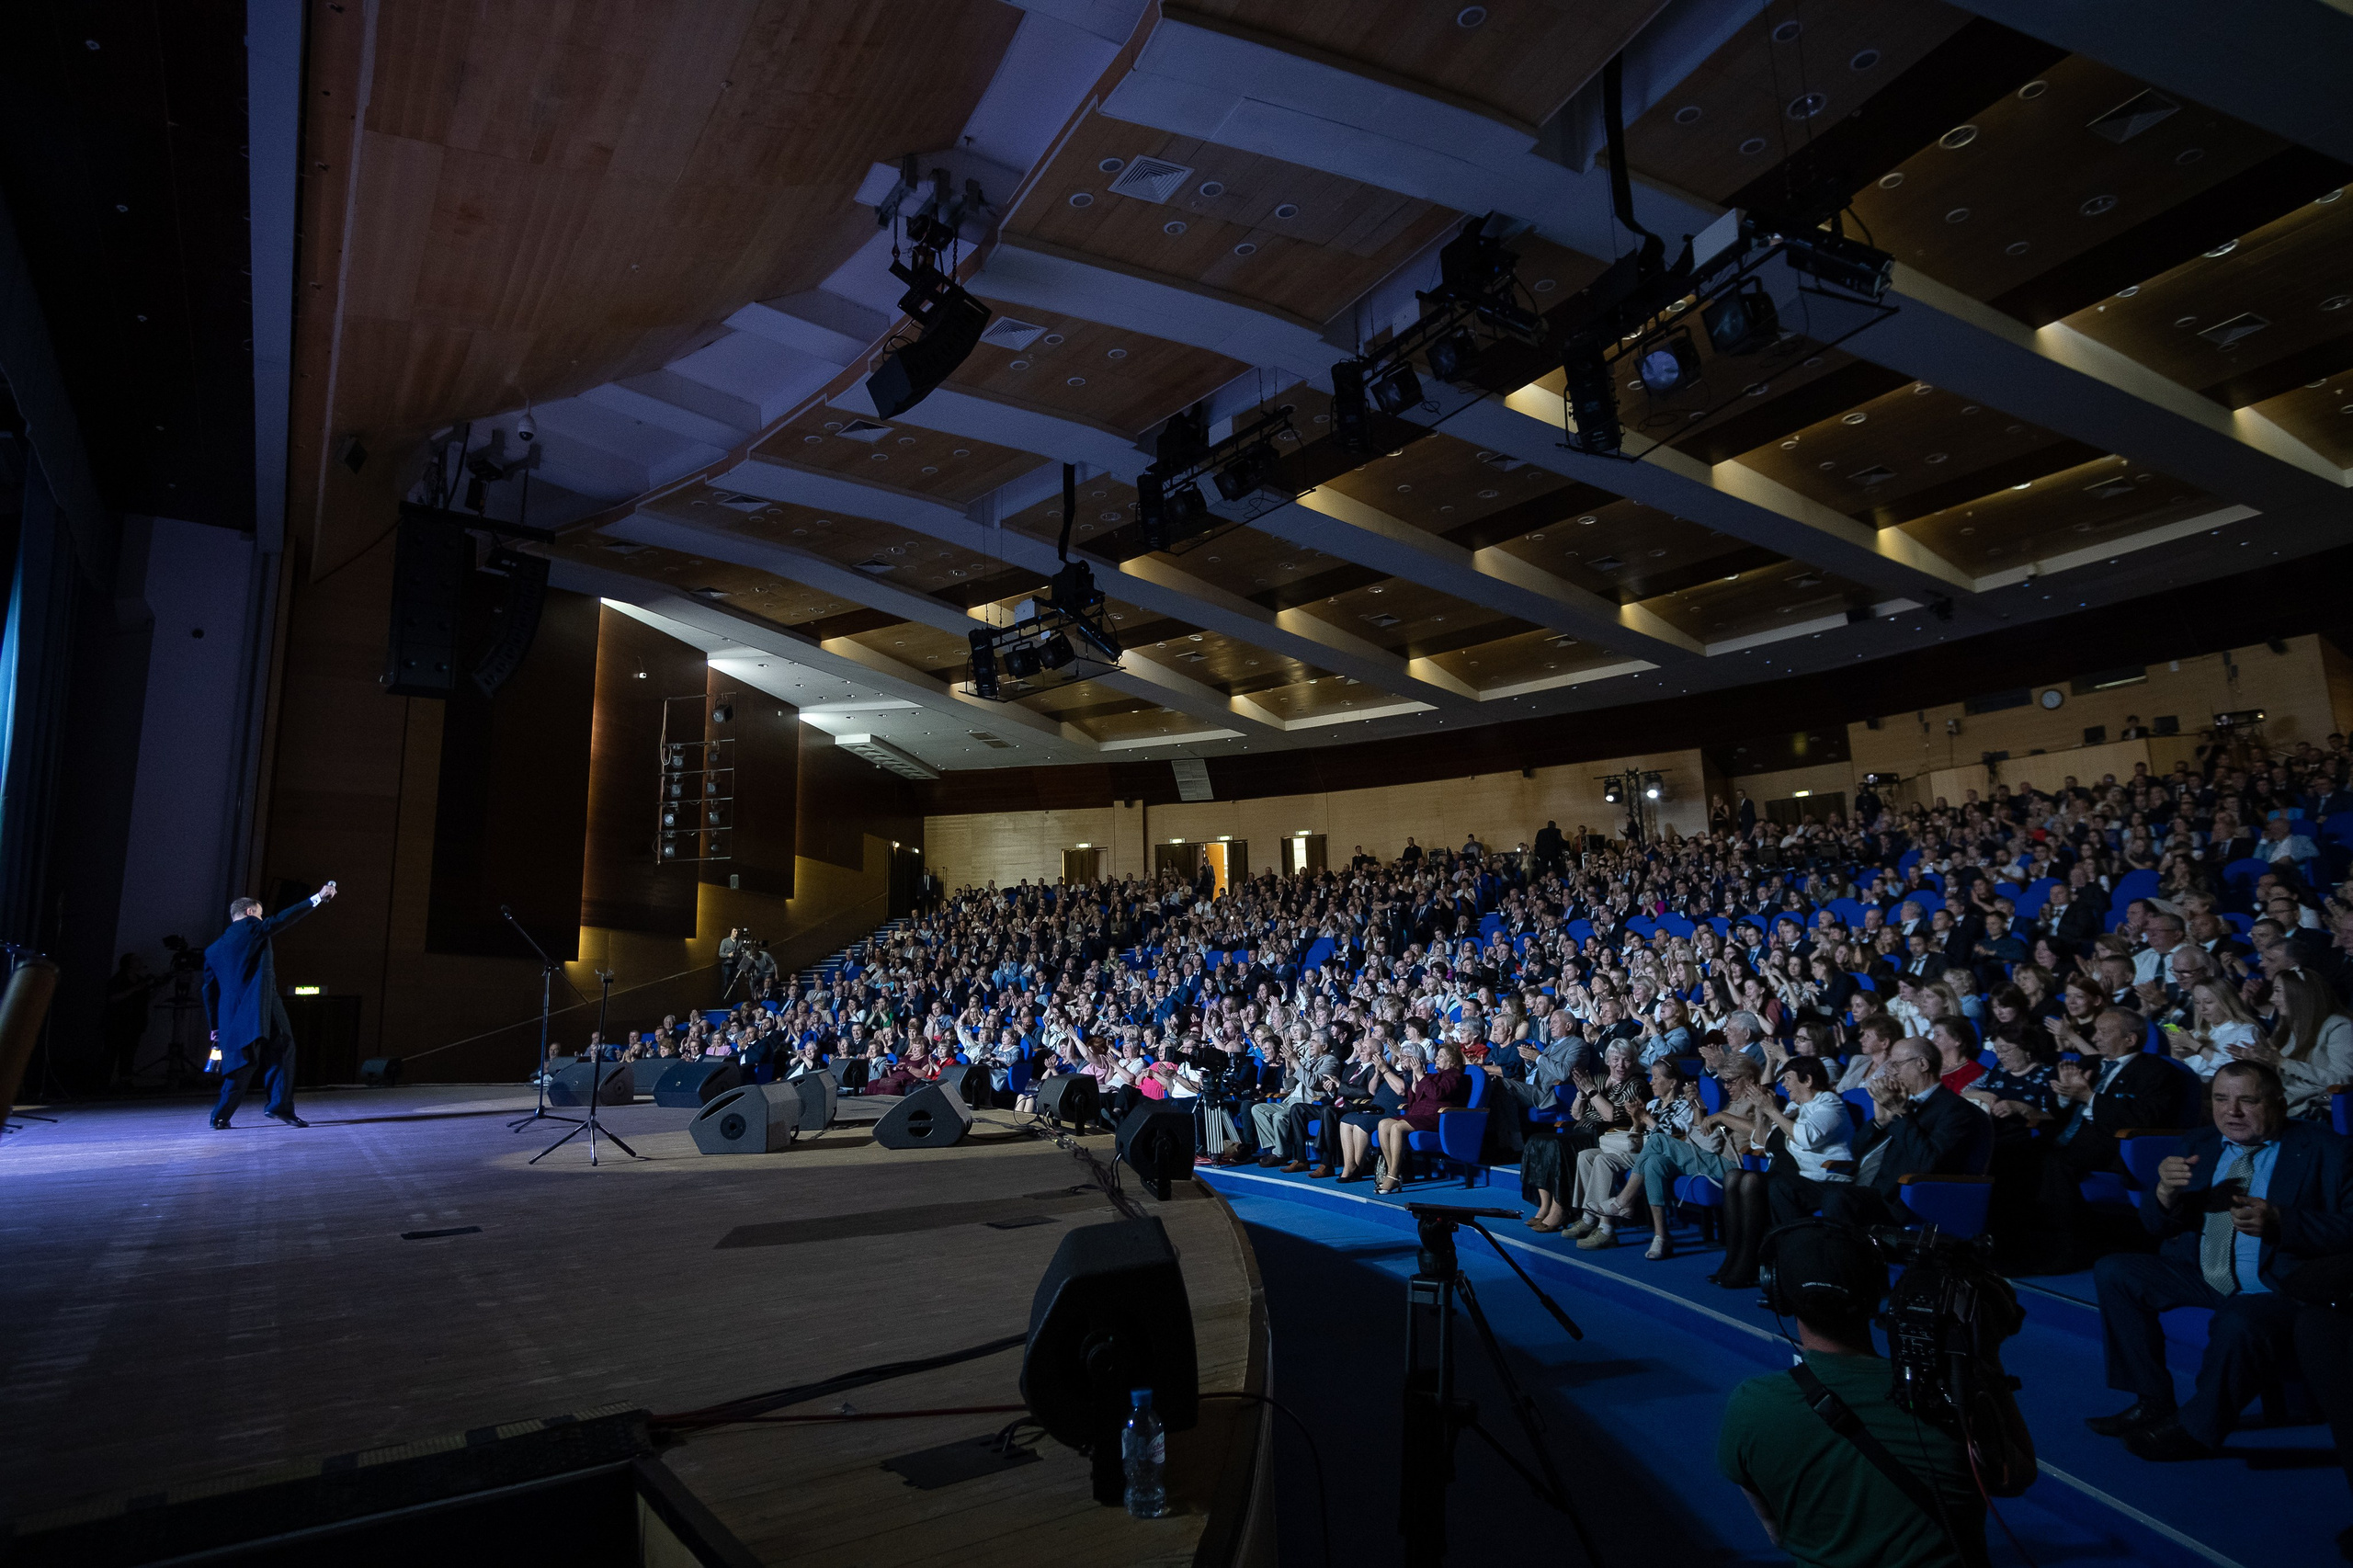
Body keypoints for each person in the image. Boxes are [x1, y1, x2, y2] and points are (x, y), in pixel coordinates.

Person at [2087, 1060, 2353, 1460]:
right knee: (2116, 1270)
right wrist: (2163, 1194)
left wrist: (2285, 1222)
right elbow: (2155, 1227)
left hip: (2280, 1285)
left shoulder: (2328, 1150)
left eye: (2248, 1100)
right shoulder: (2200, 1144)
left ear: (2279, 1104)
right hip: (2206, 1272)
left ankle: (2196, 1430)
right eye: (2221, 1099)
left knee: (2242, 1319)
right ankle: (2153, 1399)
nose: (2232, 1111)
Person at [1718, 1221, 1985, 1568]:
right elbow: (2015, 1476)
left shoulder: (1750, 1405)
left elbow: (1776, 1531)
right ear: (1879, 1294)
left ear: (1777, 1294)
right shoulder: (1948, 1396)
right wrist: (1981, 1360)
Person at [202, 882, 339, 1130]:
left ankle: (221, 1115)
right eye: (260, 913)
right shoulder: (251, 928)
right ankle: (277, 1106)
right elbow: (282, 920)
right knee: (274, 1051)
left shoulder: (213, 950)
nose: (262, 918)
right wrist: (317, 898)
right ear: (249, 913)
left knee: (266, 1051)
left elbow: (208, 991)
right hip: (257, 1004)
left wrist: (215, 1026)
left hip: (234, 1013)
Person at [1820, 1039, 1984, 1231]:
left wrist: (1902, 1114)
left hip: (1899, 1201)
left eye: (1897, 1064)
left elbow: (1929, 1163)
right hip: (1865, 1187)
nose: (1892, 1071)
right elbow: (1856, 1153)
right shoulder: (1901, 1101)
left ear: (1922, 1064)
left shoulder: (1954, 1110)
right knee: (1784, 1186)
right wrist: (1879, 1122)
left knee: (1838, 1197)